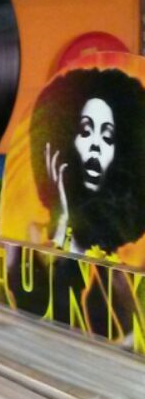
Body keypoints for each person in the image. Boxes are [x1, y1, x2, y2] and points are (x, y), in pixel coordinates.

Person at [30, 66, 145, 256]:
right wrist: (61, 218)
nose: (95, 145)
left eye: (107, 137)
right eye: (85, 131)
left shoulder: (132, 257)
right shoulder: (33, 235)